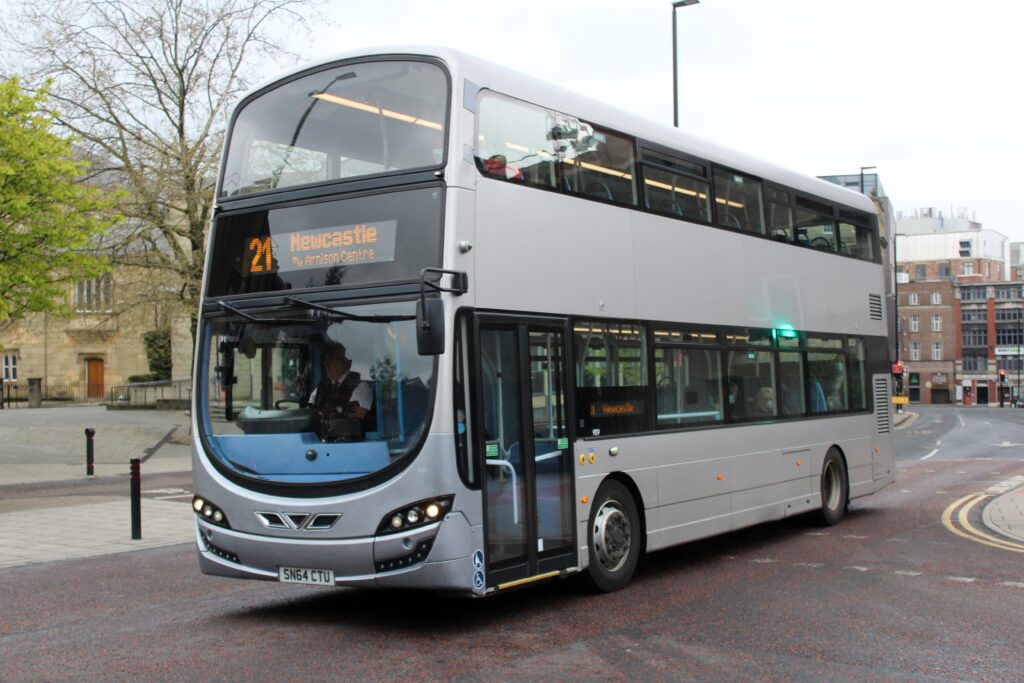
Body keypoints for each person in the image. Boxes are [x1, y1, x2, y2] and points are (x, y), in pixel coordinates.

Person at [310, 343, 373, 442]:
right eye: (325, 360)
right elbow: (310, 411)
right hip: (320, 440)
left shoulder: (360, 386)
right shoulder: (321, 386)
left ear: (345, 362)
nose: (326, 364)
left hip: (348, 442)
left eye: (331, 360)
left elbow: (358, 416)